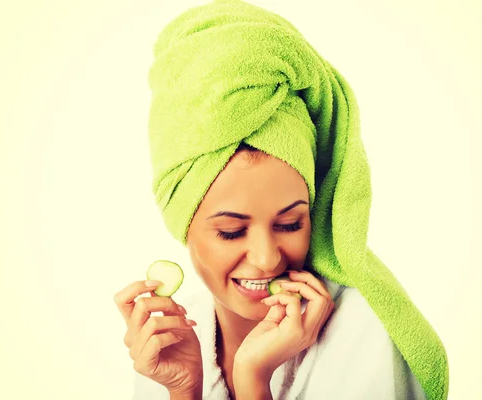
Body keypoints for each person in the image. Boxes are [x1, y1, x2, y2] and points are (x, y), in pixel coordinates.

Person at [114, 1, 449, 399]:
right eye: (231, 231)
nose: (267, 258)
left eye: (290, 224)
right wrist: (184, 389)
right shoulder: (167, 344)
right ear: (182, 221)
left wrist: (253, 378)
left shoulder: (367, 334)